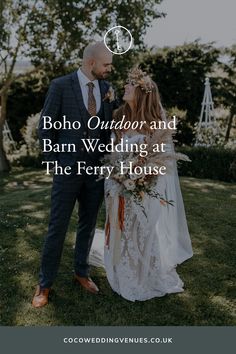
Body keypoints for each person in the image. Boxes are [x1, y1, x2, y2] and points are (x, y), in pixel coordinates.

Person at [32, 42, 116, 308]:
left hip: (95, 172)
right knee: (57, 227)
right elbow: (45, 127)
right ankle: (44, 284)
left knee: (88, 224)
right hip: (67, 170)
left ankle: (81, 272)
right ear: (91, 63)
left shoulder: (105, 89)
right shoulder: (60, 86)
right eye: (106, 65)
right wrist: (54, 161)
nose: (109, 69)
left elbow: (106, 128)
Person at [102, 67, 193, 301]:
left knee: (142, 232)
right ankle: (124, 271)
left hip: (145, 190)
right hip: (118, 187)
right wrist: (117, 176)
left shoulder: (154, 125)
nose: (125, 86)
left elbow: (161, 164)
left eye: (130, 85)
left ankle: (144, 274)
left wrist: (141, 179)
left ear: (142, 92)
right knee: (122, 232)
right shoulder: (119, 116)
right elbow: (113, 153)